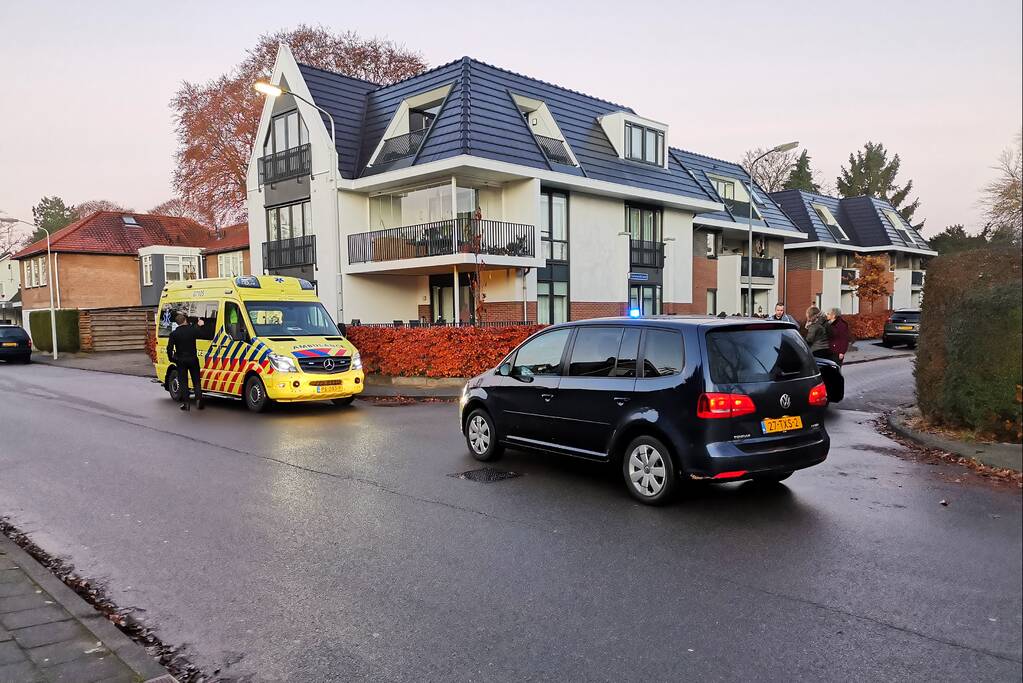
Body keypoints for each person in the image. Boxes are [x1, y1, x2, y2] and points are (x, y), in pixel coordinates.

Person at [167, 312, 206, 411]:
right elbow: (201, 334)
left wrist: (172, 359)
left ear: (177, 323)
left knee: (183, 382)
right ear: (185, 320)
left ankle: (186, 404)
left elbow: (169, 349)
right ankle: (199, 402)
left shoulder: (174, 334)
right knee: (196, 381)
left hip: (181, 361)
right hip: (193, 359)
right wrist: (200, 325)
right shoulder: (192, 330)